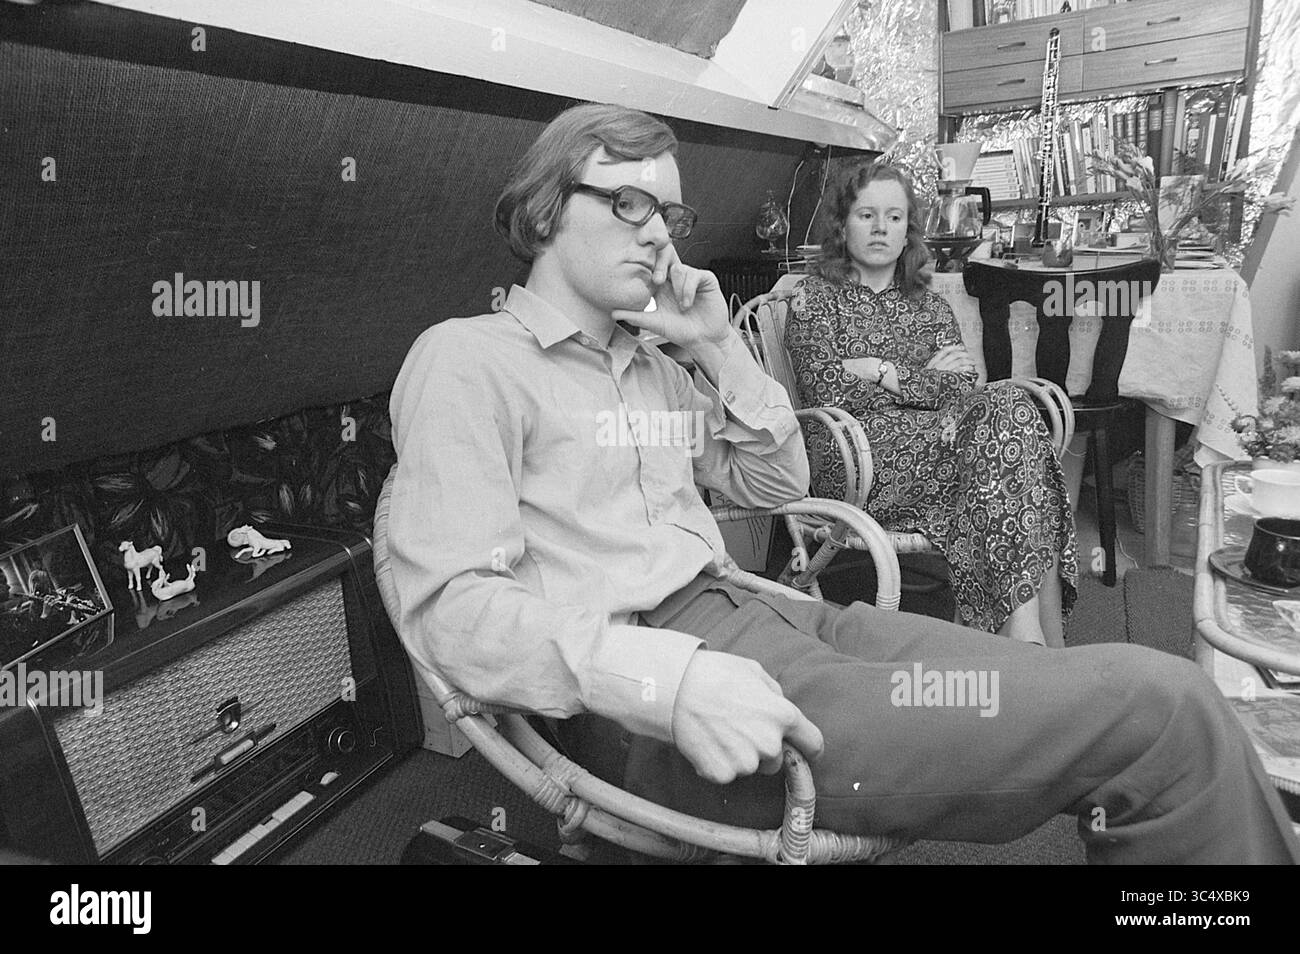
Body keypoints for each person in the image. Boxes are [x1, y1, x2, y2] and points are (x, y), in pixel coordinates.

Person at [387, 102, 1300, 863]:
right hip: (675, 689)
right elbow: (453, 611)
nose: (660, 235)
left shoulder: (652, 371)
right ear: (547, 210)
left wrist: (714, 346)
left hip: (789, 616)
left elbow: (774, 479)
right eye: (630, 203)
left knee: (1094, 688)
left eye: (671, 215)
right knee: (1163, 713)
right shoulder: (470, 363)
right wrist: (668, 682)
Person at [781, 160, 1076, 647]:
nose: (881, 228)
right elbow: (828, 392)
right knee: (1014, 448)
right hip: (857, 459)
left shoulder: (930, 303)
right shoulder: (815, 299)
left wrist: (882, 369)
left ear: (908, 229)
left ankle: (1024, 636)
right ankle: (1035, 641)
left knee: (1008, 411)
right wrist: (925, 380)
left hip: (946, 447)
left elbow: (963, 386)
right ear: (842, 224)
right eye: (866, 214)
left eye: (894, 217)